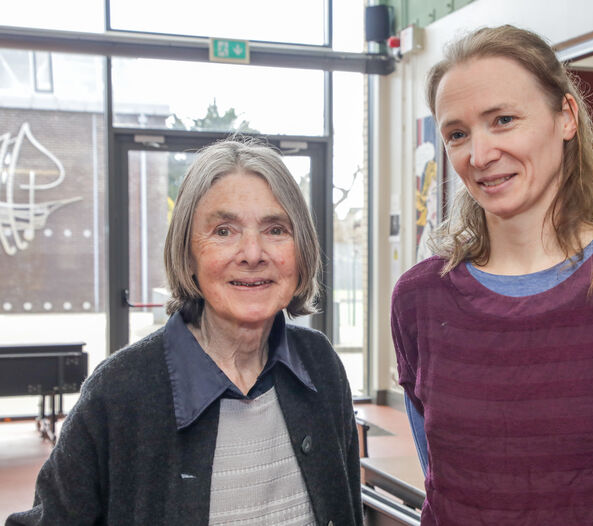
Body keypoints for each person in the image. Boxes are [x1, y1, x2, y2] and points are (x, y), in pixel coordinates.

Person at [391, 25, 593, 526]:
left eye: (503, 120)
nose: (479, 155)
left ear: (565, 117)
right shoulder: (418, 299)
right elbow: (444, 478)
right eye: (457, 133)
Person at [8, 139, 363, 526]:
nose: (252, 253)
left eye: (275, 229)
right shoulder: (120, 392)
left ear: (301, 250)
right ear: (188, 254)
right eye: (224, 230)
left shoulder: (321, 365)